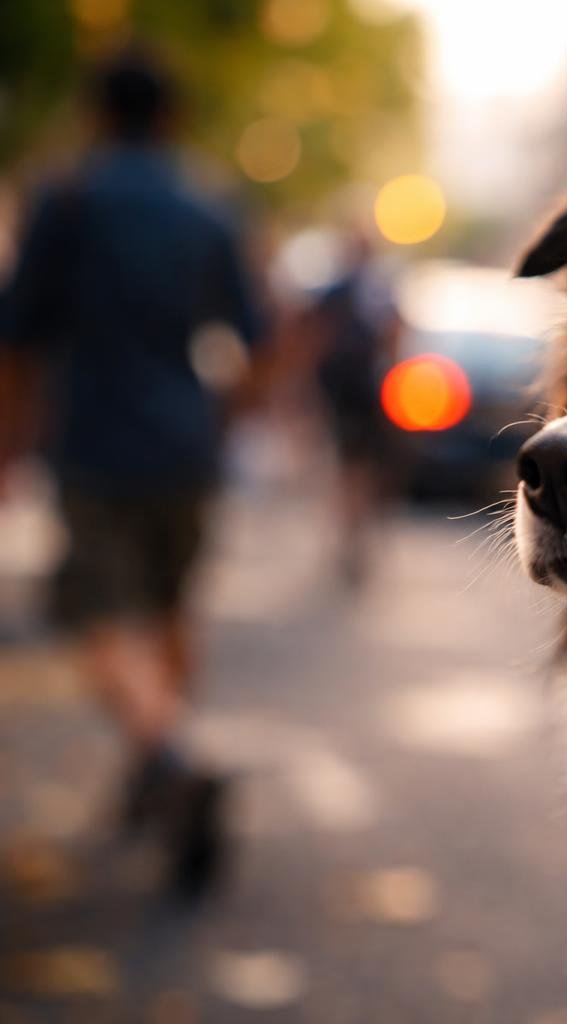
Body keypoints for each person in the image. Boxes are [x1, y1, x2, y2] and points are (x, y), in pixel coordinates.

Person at [0, 49, 265, 898]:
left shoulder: (66, 196)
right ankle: (156, 760)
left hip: (93, 440)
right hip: (185, 440)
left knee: (97, 612)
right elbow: (259, 338)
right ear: (172, 116)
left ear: (96, 113)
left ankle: (172, 753)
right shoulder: (210, 205)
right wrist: (222, 422)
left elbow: (18, 340)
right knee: (167, 606)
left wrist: (8, 444)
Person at [304, 229, 400, 589]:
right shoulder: (375, 290)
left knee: (353, 465)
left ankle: (352, 530)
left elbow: (315, 336)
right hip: (359, 390)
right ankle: (354, 530)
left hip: (351, 390)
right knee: (359, 465)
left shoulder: (345, 290)